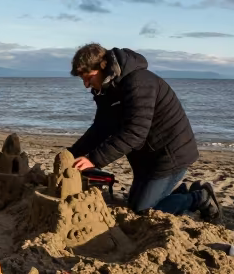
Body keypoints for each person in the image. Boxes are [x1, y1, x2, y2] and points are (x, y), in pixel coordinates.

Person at [67, 43, 221, 221]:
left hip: (170, 154)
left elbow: (135, 132)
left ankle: (200, 197)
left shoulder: (139, 83)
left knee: (144, 211)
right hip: (145, 157)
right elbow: (102, 126)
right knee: (134, 204)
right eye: (82, 80)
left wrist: (94, 159)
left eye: (89, 78)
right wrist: (72, 153)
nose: (86, 85)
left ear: (103, 67)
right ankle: (181, 193)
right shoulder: (106, 89)